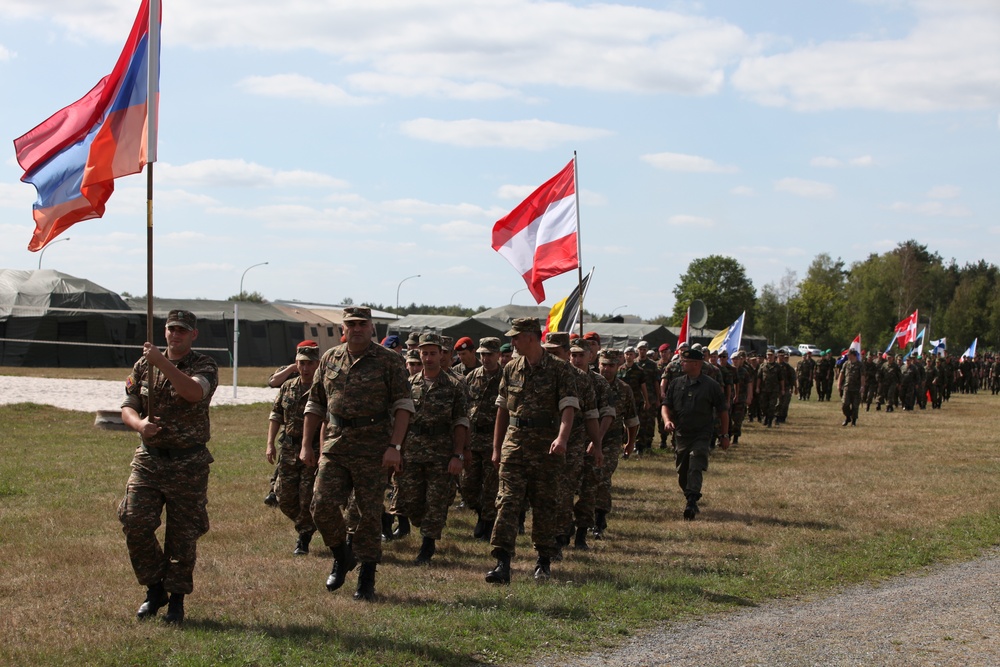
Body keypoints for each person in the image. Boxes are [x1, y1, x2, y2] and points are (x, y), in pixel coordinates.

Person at [300, 307, 414, 602]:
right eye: (352, 324)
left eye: (362, 324)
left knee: (367, 515)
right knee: (321, 505)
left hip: (374, 446)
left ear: (371, 327)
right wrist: (305, 445)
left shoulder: (389, 361)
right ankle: (342, 555)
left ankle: (366, 580)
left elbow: (403, 405)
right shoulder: (330, 358)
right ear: (344, 327)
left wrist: (395, 447)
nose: (357, 328)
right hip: (336, 443)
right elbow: (315, 403)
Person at [119, 309, 219, 625]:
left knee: (182, 535)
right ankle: (154, 589)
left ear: (193, 335)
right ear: (164, 331)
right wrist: (139, 424)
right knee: (134, 521)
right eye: (171, 329)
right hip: (149, 459)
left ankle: (176, 601)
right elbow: (128, 404)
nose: (175, 335)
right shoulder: (143, 365)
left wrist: (162, 363)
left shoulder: (204, 365)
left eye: (182, 330)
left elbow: (193, 393)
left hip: (188, 463)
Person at [485, 318, 580, 584]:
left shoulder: (560, 369)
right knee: (507, 503)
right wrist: (496, 448)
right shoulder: (511, 368)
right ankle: (502, 563)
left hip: (546, 448)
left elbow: (568, 408)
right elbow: (502, 410)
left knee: (545, 504)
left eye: (516, 337)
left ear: (531, 337)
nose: (512, 342)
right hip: (514, 446)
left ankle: (543, 562)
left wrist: (562, 438)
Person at [393, 333, 469, 564]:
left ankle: (427, 546)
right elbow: (399, 420)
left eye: (432, 353)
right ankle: (423, 527)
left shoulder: (455, 386)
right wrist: (397, 449)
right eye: (424, 353)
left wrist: (458, 454)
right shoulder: (409, 385)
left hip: (441, 452)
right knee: (412, 502)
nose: (428, 358)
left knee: (436, 500)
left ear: (441, 354)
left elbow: (461, 422)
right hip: (413, 451)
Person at [266, 341, 321, 555]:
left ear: (317, 364)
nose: (305, 368)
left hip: (312, 450)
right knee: (284, 498)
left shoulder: (322, 387)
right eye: (301, 363)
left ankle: (304, 536)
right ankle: (307, 524)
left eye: (309, 363)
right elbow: (276, 414)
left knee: (306, 496)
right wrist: (270, 443)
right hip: (288, 449)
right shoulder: (288, 387)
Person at [661, 347, 729, 520]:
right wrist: (667, 420)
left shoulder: (711, 385)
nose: (682, 363)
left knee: (696, 460)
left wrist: (724, 435)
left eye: (686, 361)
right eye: (682, 360)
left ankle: (692, 500)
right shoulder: (676, 383)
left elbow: (723, 411)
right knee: (683, 471)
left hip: (702, 433)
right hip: (681, 434)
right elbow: (666, 405)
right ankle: (689, 495)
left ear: (697, 364)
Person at [461, 337, 503, 540]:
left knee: (491, 485)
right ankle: (480, 513)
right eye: (482, 354)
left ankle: (486, 522)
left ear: (498, 355)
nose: (485, 358)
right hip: (473, 436)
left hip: (495, 438)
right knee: (468, 485)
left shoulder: (506, 377)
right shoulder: (471, 377)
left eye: (490, 354)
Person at [838, 349, 864, 426]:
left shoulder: (860, 365)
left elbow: (862, 376)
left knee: (855, 406)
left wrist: (862, 386)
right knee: (844, 404)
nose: (847, 356)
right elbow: (841, 374)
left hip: (856, 388)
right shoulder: (846, 364)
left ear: (853, 355)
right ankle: (848, 417)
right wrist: (839, 384)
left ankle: (854, 421)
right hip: (847, 387)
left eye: (849, 355)